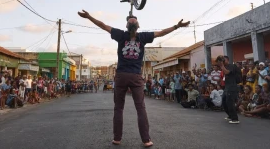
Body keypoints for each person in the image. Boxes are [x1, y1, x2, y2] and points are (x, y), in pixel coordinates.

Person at [78, 10, 189, 147]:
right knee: (140, 108)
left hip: (121, 76)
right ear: (138, 26)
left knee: (118, 108)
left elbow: (103, 25)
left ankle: (117, 138)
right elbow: (161, 33)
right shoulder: (143, 37)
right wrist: (177, 26)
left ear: (126, 26)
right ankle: (146, 140)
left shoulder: (120, 35)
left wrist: (89, 16)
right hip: (136, 77)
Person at [216, 55, 239, 124]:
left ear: (227, 60)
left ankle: (235, 119)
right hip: (227, 86)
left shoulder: (231, 66)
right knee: (224, 101)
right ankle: (230, 115)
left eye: (223, 60)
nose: (222, 62)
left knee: (230, 102)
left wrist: (222, 66)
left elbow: (227, 72)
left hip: (232, 86)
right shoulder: (225, 67)